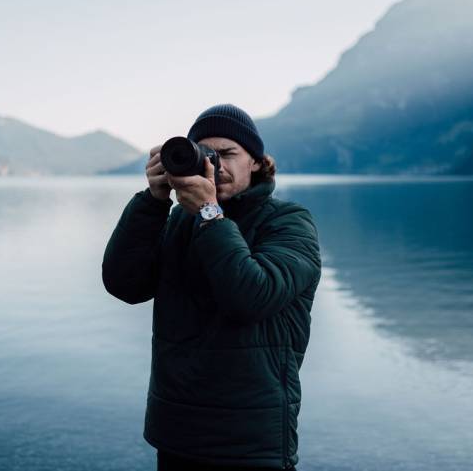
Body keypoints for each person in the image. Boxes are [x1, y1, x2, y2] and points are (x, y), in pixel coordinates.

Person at [102, 104, 322, 470]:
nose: (215, 164)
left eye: (227, 154)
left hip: (250, 440)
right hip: (176, 432)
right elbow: (124, 284)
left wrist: (208, 213)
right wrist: (152, 202)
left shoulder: (289, 223)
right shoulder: (180, 220)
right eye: (205, 154)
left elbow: (251, 297)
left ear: (256, 160)